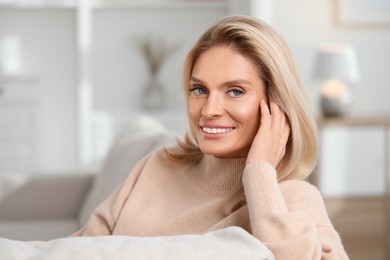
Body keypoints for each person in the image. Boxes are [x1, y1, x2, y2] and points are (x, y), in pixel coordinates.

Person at [73, 15, 349, 259]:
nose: (208, 110)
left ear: (276, 106)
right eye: (200, 89)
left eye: (235, 91)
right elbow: (80, 249)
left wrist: (259, 173)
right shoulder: (157, 165)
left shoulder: (293, 198)